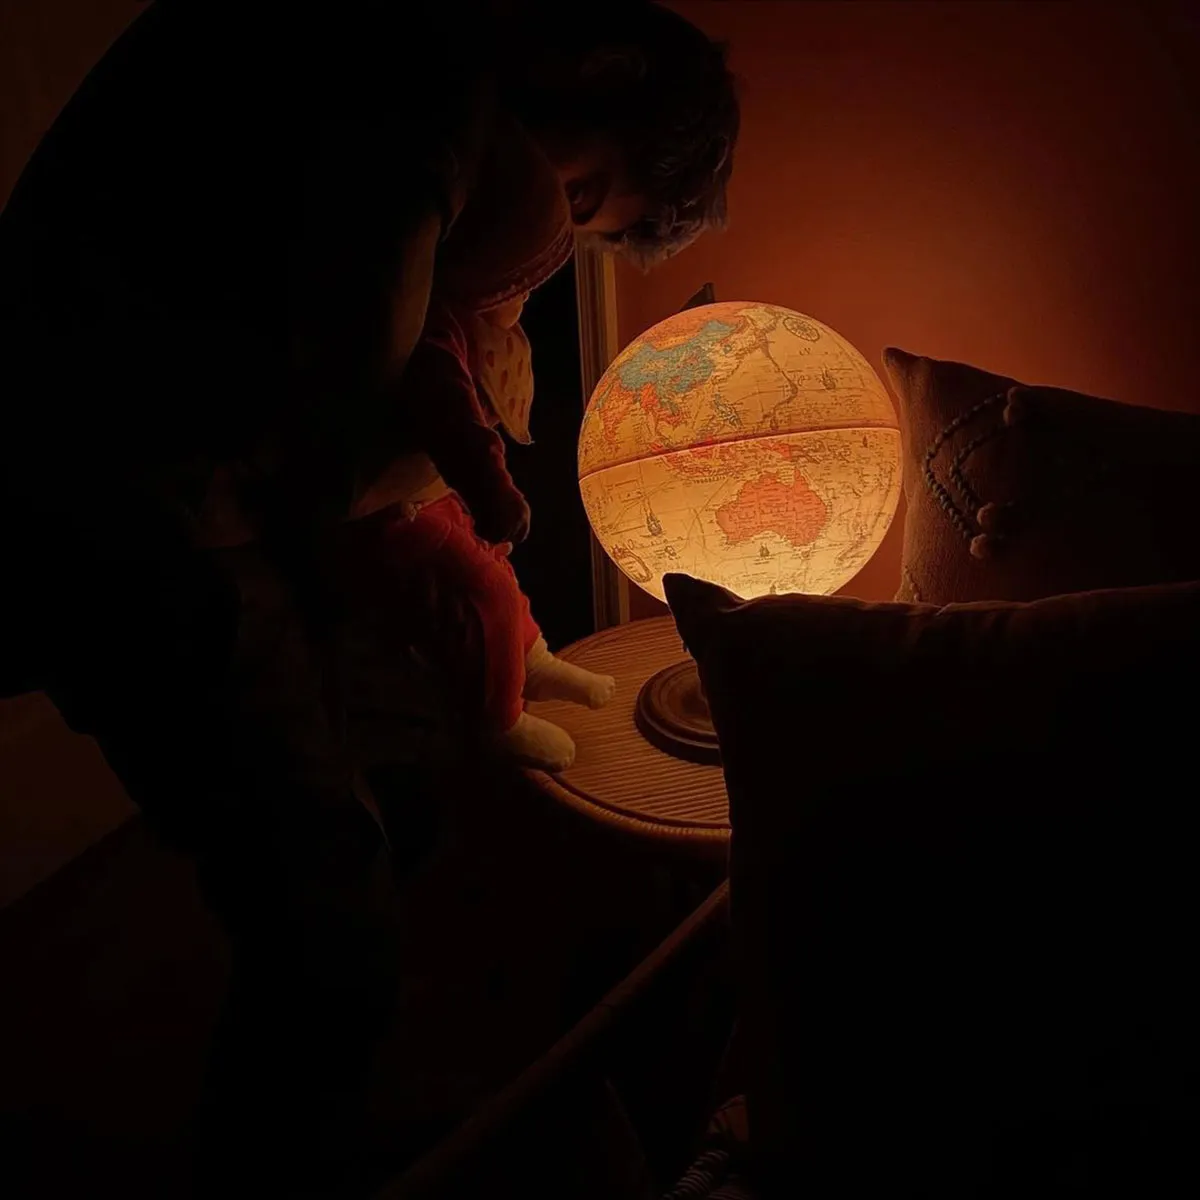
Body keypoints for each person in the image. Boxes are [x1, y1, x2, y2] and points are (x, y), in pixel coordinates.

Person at [0, 1, 738, 1192]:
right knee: (326, 915)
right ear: (602, 68)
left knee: (396, 775)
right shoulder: (415, 80)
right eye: (582, 195)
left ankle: (343, 1086)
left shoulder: (402, 81)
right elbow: (324, 437)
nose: (553, 233)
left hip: (180, 491)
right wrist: (456, 446)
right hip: (130, 510)